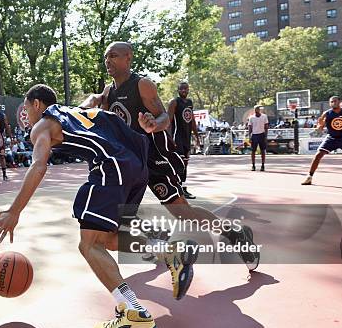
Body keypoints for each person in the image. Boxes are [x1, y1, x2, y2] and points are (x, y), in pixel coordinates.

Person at [0, 84, 183, 328]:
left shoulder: (43, 126)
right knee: (109, 240)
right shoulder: (71, 111)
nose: (26, 113)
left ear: (37, 104)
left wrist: (14, 211)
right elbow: (92, 101)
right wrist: (102, 95)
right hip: (137, 165)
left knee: (89, 244)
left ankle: (133, 313)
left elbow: (38, 165)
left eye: (26, 107)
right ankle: (167, 251)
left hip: (110, 166)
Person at [80, 41, 259, 270]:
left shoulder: (142, 85)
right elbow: (93, 102)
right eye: (105, 57)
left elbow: (164, 117)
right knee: (114, 223)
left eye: (113, 56)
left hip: (154, 158)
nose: (108, 61)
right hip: (127, 164)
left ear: (128, 58)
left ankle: (234, 234)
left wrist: (154, 124)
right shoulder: (108, 91)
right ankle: (154, 237)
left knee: (183, 213)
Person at [168, 82, 200, 199]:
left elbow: (192, 121)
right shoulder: (174, 102)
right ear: (178, 90)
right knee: (179, 162)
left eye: (186, 89)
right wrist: (169, 138)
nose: (184, 91)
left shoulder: (190, 103)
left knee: (185, 163)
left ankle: (182, 187)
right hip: (177, 137)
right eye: (181, 89)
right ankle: (175, 187)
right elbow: (168, 121)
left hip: (187, 138)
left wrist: (197, 137)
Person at [248, 105, 269, 171]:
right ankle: (253, 165)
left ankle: (263, 165)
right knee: (253, 151)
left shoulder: (264, 116)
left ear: (259, 110)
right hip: (254, 135)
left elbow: (266, 127)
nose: (256, 110)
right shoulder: (251, 117)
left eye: (257, 109)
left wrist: (265, 136)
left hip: (261, 135)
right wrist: (249, 136)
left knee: (263, 151)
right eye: (255, 109)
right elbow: (250, 127)